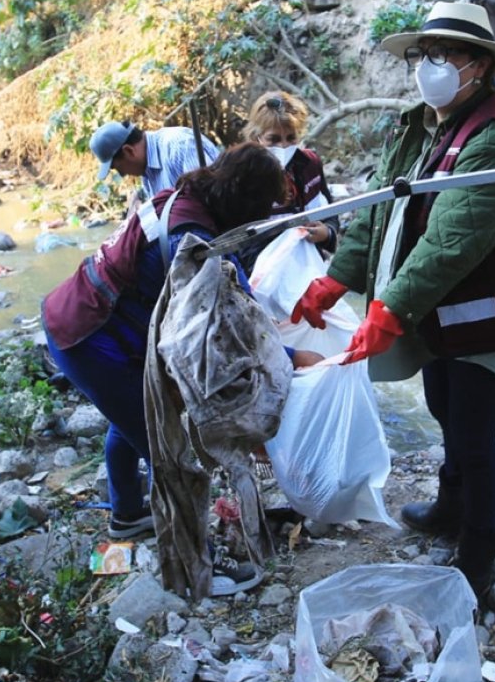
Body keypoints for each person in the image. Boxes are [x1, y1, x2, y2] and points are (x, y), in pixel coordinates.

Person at [291, 1, 495, 595]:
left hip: (488, 309)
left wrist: (389, 309)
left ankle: (481, 548)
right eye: (422, 54)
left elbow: (450, 242)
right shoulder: (420, 128)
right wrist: (339, 280)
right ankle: (450, 505)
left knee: (473, 432)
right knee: (441, 405)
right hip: (437, 305)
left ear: (479, 66)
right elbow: (383, 212)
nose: (428, 66)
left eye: (444, 55)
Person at [42, 144, 317, 593]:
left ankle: (128, 515)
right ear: (244, 201)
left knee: (129, 421)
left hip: (73, 315)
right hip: (92, 338)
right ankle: (198, 569)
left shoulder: (178, 196)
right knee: (171, 452)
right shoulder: (196, 242)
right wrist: (290, 360)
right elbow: (229, 329)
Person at [239, 91, 339, 271]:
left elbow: (330, 212)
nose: (284, 146)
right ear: (257, 137)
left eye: (291, 138)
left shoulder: (311, 164)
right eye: (273, 139)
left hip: (311, 266)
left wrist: (326, 233)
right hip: (264, 276)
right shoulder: (244, 176)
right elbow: (238, 241)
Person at [90, 119, 219, 197]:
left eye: (118, 168)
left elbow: (212, 197)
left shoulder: (179, 146)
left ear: (129, 151)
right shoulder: (147, 172)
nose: (122, 174)